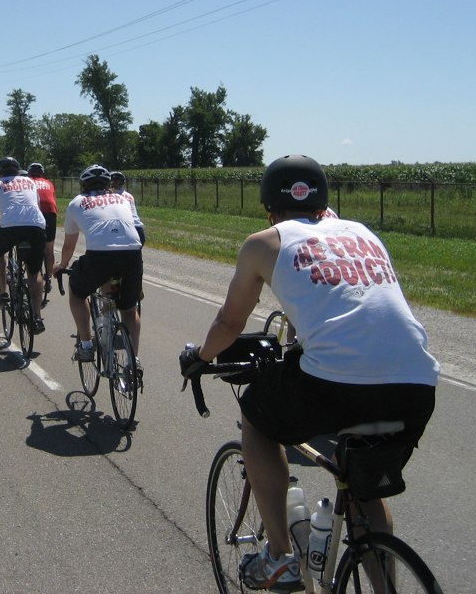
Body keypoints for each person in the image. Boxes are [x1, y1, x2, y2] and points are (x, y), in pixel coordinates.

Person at [179, 154, 440, 592]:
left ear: (268, 207)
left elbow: (229, 323)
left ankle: (280, 557)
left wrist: (200, 357)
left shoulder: (264, 243)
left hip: (337, 383)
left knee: (257, 419)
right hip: (416, 382)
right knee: (361, 484)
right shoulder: (361, 232)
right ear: (324, 202)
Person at [54, 164, 144, 365]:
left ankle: (86, 346)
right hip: (132, 253)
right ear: (108, 184)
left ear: (83, 185)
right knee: (129, 309)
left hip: (100, 256)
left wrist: (62, 265)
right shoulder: (123, 199)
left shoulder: (76, 203)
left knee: (77, 293)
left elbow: (69, 245)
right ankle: (133, 362)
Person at [0, 157, 48, 334]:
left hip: (10, 227)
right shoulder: (30, 182)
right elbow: (38, 206)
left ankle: (3, 292)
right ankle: (37, 316)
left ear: (0, 172)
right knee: (34, 272)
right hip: (36, 226)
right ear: (17, 170)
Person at [28, 162, 58, 295]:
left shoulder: (27, 182)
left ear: (29, 173)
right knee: (49, 249)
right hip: (50, 213)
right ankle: (49, 278)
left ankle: (33, 274)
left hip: (34, 212)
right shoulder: (49, 183)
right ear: (42, 173)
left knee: (32, 245)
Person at [109, 170, 145, 245]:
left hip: (127, 229)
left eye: (113, 182)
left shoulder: (110, 195)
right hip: (139, 229)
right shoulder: (129, 195)